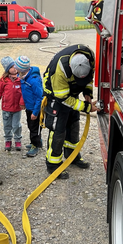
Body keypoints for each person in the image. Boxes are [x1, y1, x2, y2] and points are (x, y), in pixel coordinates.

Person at [42, 44, 98, 179]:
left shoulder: (89, 56)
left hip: (70, 94)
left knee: (74, 126)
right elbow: (63, 98)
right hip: (57, 97)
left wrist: (87, 92)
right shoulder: (60, 71)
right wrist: (87, 107)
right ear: (72, 70)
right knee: (58, 131)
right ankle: (53, 164)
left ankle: (72, 156)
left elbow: (89, 78)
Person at [14, 55, 44, 158]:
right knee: (31, 125)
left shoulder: (33, 80)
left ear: (22, 69)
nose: (16, 72)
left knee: (34, 127)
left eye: (17, 69)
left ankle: (35, 145)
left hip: (35, 108)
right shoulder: (24, 75)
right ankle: (37, 142)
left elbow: (39, 97)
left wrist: (35, 112)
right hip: (29, 107)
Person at [0, 56, 24, 151]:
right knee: (7, 125)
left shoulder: (20, 79)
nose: (14, 68)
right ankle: (8, 140)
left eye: (15, 66)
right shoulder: (3, 80)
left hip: (17, 108)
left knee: (16, 125)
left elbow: (24, 93)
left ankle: (17, 139)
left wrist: (22, 102)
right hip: (6, 108)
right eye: (11, 67)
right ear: (7, 69)